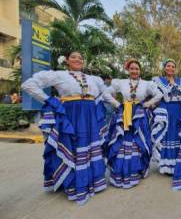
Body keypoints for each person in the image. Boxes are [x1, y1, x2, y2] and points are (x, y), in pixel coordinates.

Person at [21, 51, 116, 205]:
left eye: (80, 57)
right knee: (73, 146)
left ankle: (93, 181)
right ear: (67, 61)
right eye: (73, 57)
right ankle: (74, 184)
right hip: (71, 116)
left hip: (90, 117)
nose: (77, 59)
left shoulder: (93, 79)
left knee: (90, 148)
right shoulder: (59, 75)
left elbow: (106, 94)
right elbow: (28, 84)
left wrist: (118, 105)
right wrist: (49, 100)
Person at [103, 59, 162, 188]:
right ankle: (120, 172)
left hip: (139, 114)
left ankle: (136, 170)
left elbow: (159, 94)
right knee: (122, 141)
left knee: (139, 141)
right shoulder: (121, 82)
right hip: (124, 114)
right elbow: (105, 93)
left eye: (137, 69)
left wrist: (146, 104)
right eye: (132, 68)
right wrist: (118, 104)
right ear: (128, 70)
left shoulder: (147, 84)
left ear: (140, 71)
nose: (134, 71)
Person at [152, 59, 181, 175]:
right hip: (165, 111)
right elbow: (154, 95)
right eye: (168, 66)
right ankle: (166, 165)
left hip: (178, 111)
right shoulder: (157, 80)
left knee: (177, 136)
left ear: (175, 69)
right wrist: (149, 104)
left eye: (173, 66)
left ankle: (177, 164)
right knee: (165, 135)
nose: (170, 68)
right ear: (164, 68)